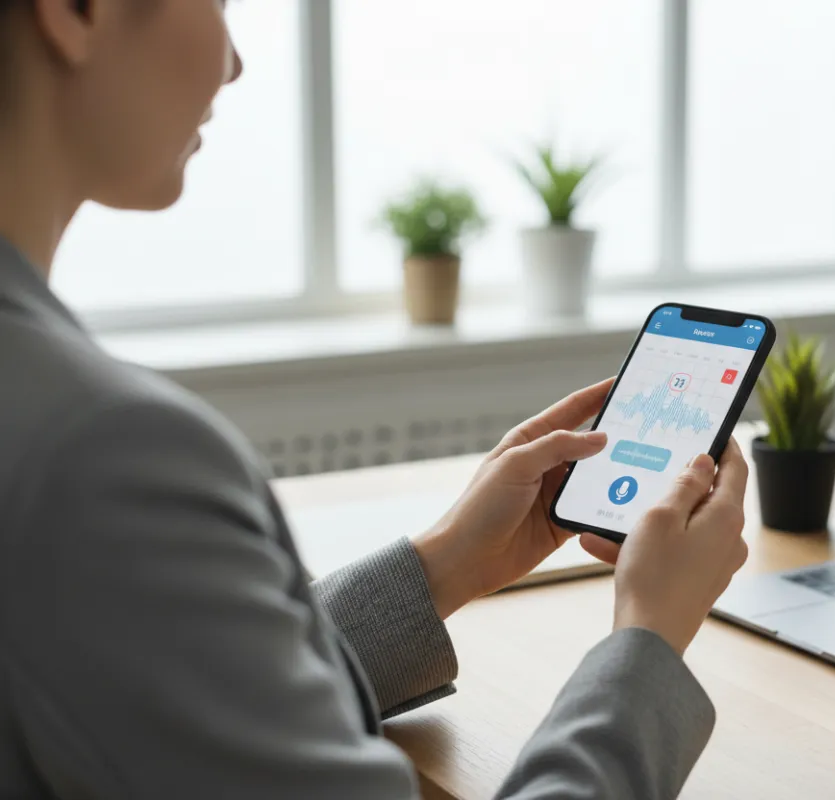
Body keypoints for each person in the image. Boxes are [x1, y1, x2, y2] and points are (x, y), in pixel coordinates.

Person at [0, 2, 750, 798]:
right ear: (76, 12)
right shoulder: (101, 453)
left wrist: (449, 563)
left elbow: (154, 681)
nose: (233, 63)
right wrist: (649, 640)